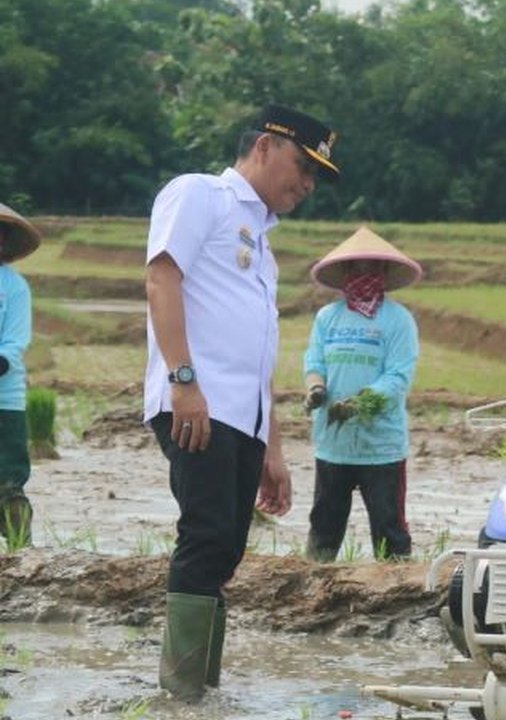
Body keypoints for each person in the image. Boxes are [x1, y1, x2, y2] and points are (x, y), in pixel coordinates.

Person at [144, 104, 338, 699]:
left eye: (315, 176)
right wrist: (183, 381)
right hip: (196, 402)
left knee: (226, 546)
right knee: (205, 535)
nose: (307, 184)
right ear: (264, 147)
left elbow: (257, 354)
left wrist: (272, 450)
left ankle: (200, 689)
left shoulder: (264, 247)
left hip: (241, 416)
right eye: (303, 166)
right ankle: (180, 695)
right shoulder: (200, 194)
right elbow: (161, 278)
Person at [303, 227, 421, 562]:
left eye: (373, 268)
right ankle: (316, 581)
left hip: (380, 447)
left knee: (389, 527)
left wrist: (359, 405)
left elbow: (398, 376)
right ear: (345, 273)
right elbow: (314, 361)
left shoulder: (398, 320)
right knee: (324, 524)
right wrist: (315, 389)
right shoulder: (328, 318)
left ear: (383, 273)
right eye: (357, 267)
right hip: (333, 444)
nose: (364, 275)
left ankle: (395, 589)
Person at [0, 203, 41, 548]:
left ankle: (20, 558)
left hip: (4, 402)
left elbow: (13, 345)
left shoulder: (13, 288)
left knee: (8, 482)